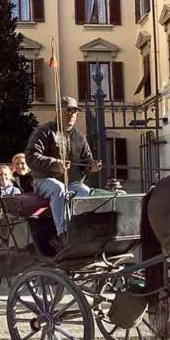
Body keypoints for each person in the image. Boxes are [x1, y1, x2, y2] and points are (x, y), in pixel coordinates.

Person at [25, 96, 101, 247]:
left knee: (86, 193)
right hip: (44, 180)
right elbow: (31, 157)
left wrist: (91, 167)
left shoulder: (80, 137)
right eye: (68, 112)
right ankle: (62, 235)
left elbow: (85, 163)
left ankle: (81, 231)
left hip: (71, 182)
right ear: (58, 112)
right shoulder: (44, 132)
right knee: (58, 189)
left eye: (74, 112)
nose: (71, 115)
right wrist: (55, 164)